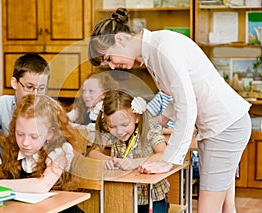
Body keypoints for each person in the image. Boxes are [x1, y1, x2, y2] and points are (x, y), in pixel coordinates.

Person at [88, 8, 252, 213]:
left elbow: (188, 105)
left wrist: (169, 161)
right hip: (222, 126)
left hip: (225, 128)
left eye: (109, 58)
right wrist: (161, 120)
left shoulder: (162, 49)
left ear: (120, 39)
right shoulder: (153, 50)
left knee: (207, 209)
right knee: (227, 207)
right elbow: (181, 95)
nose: (112, 66)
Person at [0, 94, 84, 213]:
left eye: (34, 136)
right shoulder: (9, 147)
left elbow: (42, 185)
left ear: (50, 133)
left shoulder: (61, 150)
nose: (25, 142)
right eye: (20, 134)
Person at [87, 90, 170, 213]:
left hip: (153, 199)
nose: (119, 131)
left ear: (137, 117)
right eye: (112, 127)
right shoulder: (110, 130)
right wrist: (108, 160)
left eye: (125, 124)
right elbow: (92, 152)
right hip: (123, 196)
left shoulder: (150, 128)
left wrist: (134, 163)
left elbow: (164, 154)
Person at [0, 54, 50, 154]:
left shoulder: (52, 108)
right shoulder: (3, 104)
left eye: (41, 88)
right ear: (15, 83)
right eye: (29, 87)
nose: (35, 95)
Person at [67, 71, 118, 143]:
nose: (86, 95)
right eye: (84, 91)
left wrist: (76, 127)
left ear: (104, 94)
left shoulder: (108, 110)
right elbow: (65, 118)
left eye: (91, 91)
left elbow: (96, 128)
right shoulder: (83, 108)